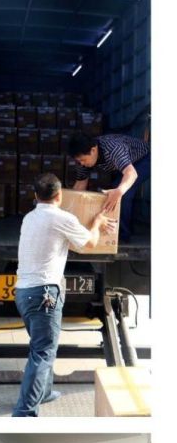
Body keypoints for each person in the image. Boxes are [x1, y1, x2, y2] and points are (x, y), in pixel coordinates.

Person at [13, 173, 113, 417]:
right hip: (44, 294)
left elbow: (54, 241)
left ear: (36, 197)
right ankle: (24, 413)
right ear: (60, 196)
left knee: (42, 347)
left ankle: (44, 392)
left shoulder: (29, 218)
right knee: (43, 352)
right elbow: (89, 244)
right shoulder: (62, 217)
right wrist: (97, 222)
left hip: (23, 292)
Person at [67, 132, 150, 241]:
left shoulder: (113, 150)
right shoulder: (83, 160)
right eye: (79, 161)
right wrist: (69, 212)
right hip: (124, 164)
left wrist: (119, 191)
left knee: (122, 193)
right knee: (113, 190)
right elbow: (80, 185)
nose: (81, 164)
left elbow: (132, 174)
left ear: (93, 150)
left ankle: (122, 237)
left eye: (83, 160)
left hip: (144, 158)